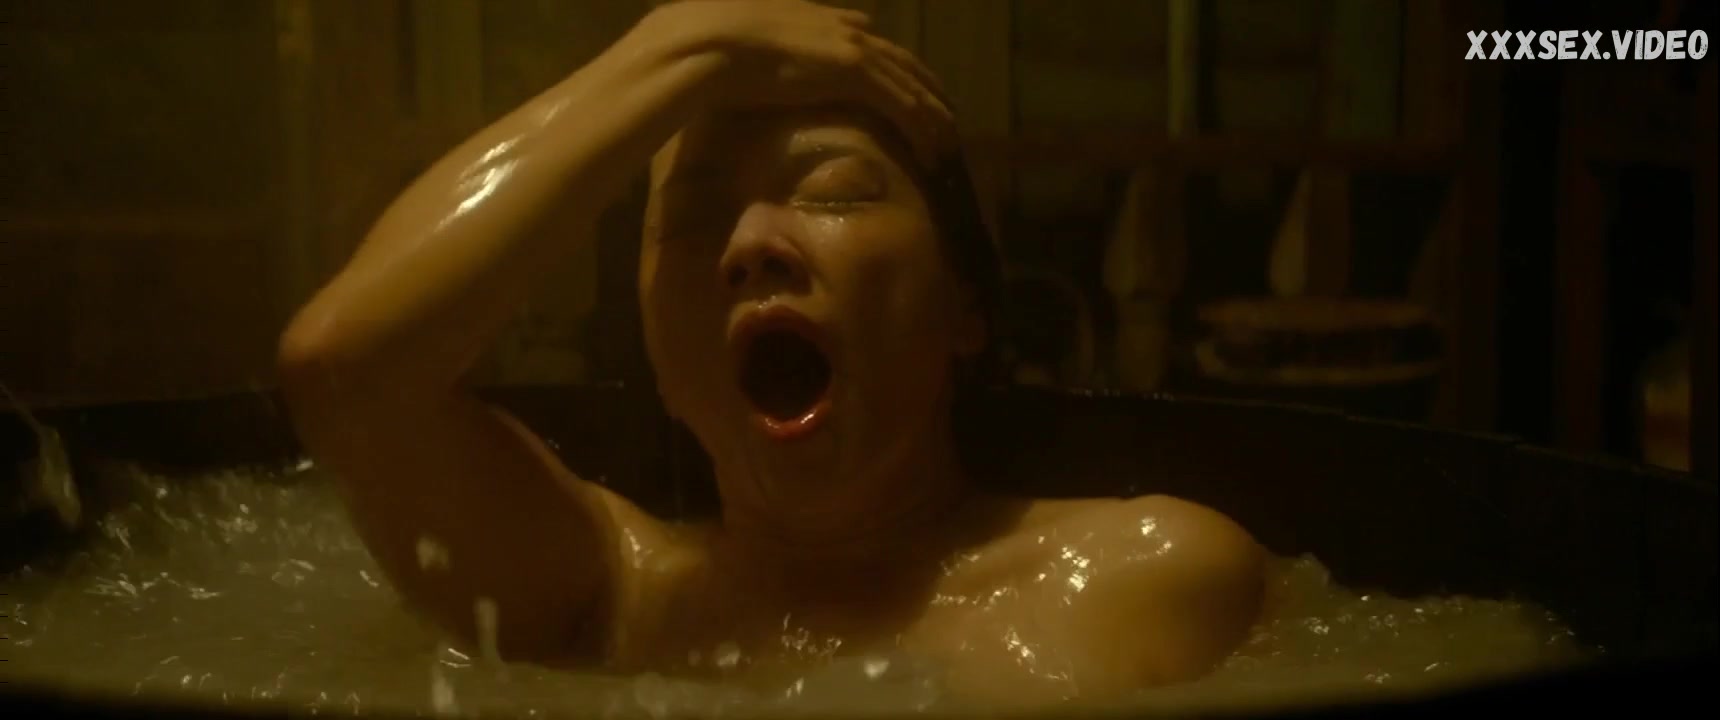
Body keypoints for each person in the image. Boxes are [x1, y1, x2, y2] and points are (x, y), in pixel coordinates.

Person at [277, 0, 1264, 705]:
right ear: (660, 357)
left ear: (965, 302)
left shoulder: (1151, 585)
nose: (750, 246)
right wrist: (684, 43)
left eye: (835, 192)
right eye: (694, 221)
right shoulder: (608, 595)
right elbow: (346, 372)